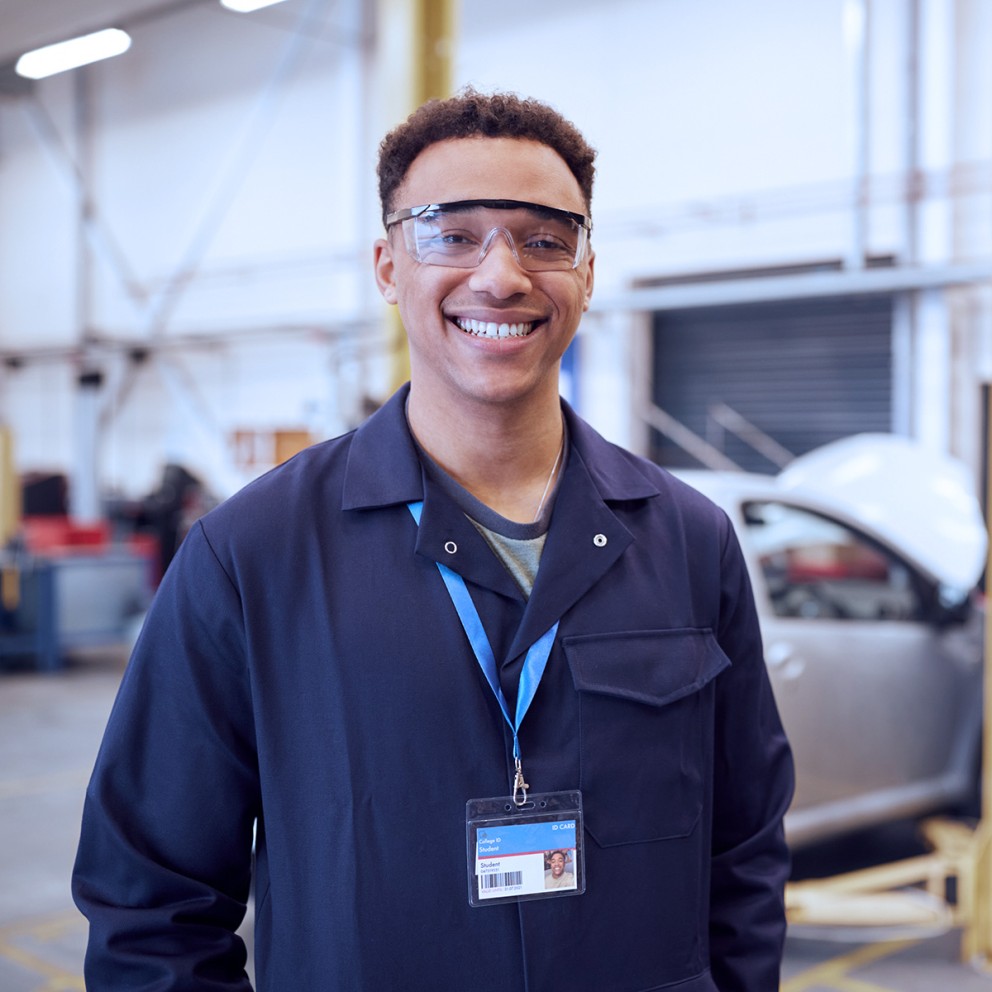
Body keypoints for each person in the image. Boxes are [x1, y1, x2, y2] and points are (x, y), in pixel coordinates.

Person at [72, 88, 794, 991]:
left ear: (587, 269)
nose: (502, 276)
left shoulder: (689, 542)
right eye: (451, 235)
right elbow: (151, 902)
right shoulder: (251, 556)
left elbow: (744, 850)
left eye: (544, 238)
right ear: (387, 265)